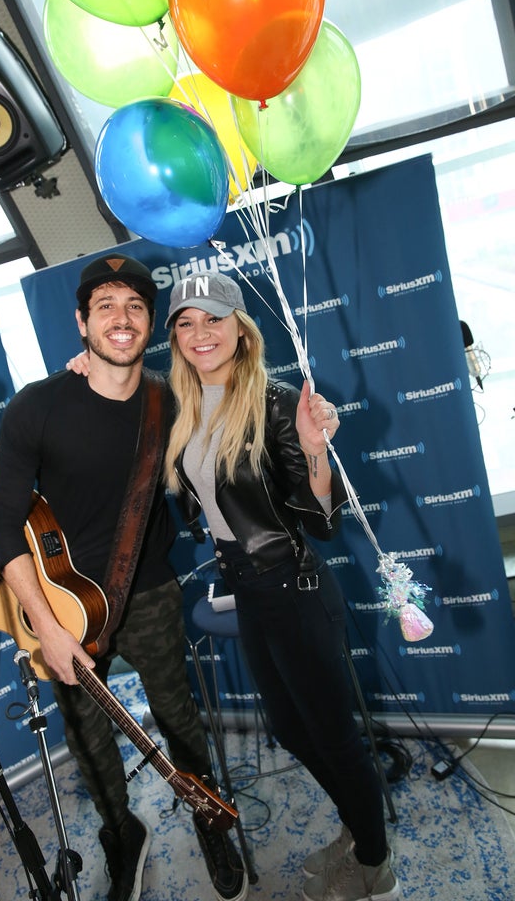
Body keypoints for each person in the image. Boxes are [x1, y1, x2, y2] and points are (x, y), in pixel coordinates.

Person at [0, 255, 248, 901]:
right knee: (88, 738)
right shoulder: (36, 408)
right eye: (104, 306)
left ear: (150, 322)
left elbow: (238, 401)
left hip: (150, 593)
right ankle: (120, 831)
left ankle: (206, 813)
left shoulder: (170, 399)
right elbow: (1, 526)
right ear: (81, 323)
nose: (121, 319)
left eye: (133, 306)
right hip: (64, 608)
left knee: (178, 718)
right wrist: (44, 628)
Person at [163, 272, 399, 901]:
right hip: (247, 588)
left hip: (292, 586)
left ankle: (376, 866)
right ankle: (359, 826)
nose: (200, 333)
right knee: (293, 731)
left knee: (333, 736)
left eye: (214, 318)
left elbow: (321, 523)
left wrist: (317, 450)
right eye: (186, 322)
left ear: (241, 329)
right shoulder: (182, 409)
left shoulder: (274, 401)